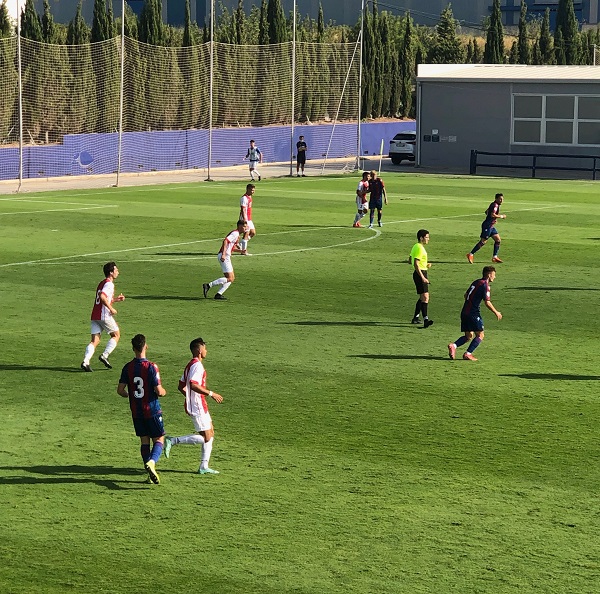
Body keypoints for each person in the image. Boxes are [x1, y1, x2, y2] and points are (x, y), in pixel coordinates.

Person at [164, 337, 223, 475]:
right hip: (198, 405)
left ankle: (204, 466)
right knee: (206, 437)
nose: (206, 350)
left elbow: (181, 386)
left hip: (198, 403)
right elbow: (194, 384)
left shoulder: (190, 364)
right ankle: (172, 441)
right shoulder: (197, 365)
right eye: (204, 348)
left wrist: (189, 397)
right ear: (198, 349)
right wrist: (211, 393)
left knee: (211, 432)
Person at [117, 334, 167, 484]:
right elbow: (158, 391)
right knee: (159, 439)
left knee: (144, 441)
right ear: (146, 346)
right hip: (151, 410)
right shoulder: (151, 367)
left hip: (136, 411)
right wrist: (164, 392)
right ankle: (152, 462)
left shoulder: (128, 367)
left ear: (133, 348)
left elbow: (120, 390)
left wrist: (130, 395)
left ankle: (149, 475)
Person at [448, 266, 502, 361]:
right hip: (473, 313)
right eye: (494, 275)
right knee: (480, 335)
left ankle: (454, 345)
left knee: (468, 336)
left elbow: (465, 295)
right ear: (489, 275)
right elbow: (487, 302)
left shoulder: (476, 282)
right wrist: (496, 312)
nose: (495, 277)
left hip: (464, 312)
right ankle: (468, 354)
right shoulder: (485, 285)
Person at [81, 261, 125, 372]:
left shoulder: (102, 283)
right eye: (116, 270)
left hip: (95, 315)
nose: (118, 272)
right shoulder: (109, 284)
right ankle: (104, 355)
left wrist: (115, 300)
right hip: (103, 314)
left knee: (94, 341)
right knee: (116, 335)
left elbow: (104, 298)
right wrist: (111, 308)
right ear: (111, 272)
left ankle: (86, 361)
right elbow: (102, 297)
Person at [203, 220, 248, 300]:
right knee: (230, 278)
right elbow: (225, 241)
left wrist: (241, 251)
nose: (246, 228)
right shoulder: (235, 233)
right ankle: (208, 285)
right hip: (225, 256)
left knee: (231, 278)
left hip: (226, 256)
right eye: (244, 226)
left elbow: (231, 248)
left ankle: (219, 294)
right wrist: (223, 254)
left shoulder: (237, 235)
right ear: (240, 226)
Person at [467, 193, 506, 264]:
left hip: (491, 226)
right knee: (483, 241)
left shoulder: (494, 204)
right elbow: (492, 214)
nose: (501, 200)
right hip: (487, 226)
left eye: (502, 199)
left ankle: (495, 257)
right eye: (500, 199)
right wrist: (501, 216)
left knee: (498, 240)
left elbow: (486, 212)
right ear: (496, 199)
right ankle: (470, 254)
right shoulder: (495, 205)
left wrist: (493, 220)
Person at [409, 229, 434, 328]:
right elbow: (415, 263)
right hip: (420, 274)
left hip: (419, 272)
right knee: (425, 297)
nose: (428, 239)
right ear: (421, 238)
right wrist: (423, 277)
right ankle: (426, 320)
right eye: (427, 237)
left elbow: (410, 259)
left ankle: (415, 318)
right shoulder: (420, 248)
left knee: (422, 297)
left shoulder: (416, 246)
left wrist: (425, 264)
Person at [238, 184, 255, 256]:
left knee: (253, 233)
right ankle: (244, 251)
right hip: (245, 218)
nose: (253, 191)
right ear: (247, 189)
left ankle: (240, 244)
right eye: (251, 190)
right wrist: (245, 220)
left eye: (254, 190)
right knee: (246, 233)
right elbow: (243, 209)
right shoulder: (244, 198)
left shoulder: (249, 197)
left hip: (249, 218)